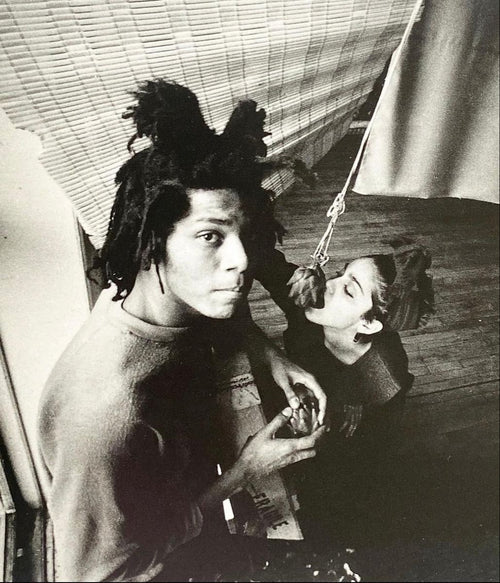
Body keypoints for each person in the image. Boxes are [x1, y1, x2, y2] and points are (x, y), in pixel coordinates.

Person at [37, 79, 327, 582]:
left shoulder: (154, 295)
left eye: (242, 235)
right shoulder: (106, 421)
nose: (241, 261)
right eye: (211, 236)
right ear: (153, 242)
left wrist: (269, 353)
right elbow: (105, 577)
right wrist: (242, 474)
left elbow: (223, 313)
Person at [256, 238, 434, 540]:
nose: (329, 285)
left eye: (349, 290)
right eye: (341, 273)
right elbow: (264, 259)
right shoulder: (314, 300)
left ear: (368, 325)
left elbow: (365, 459)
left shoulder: (383, 381)